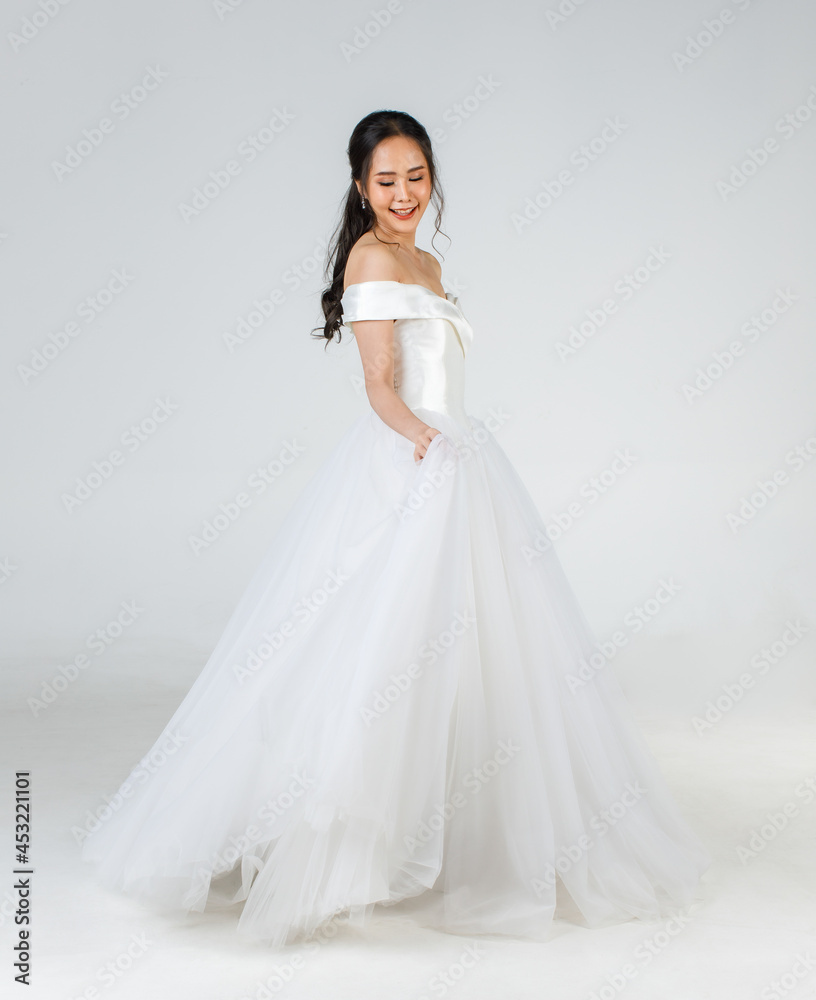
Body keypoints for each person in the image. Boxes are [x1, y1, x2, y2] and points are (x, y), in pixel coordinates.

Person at [81, 109, 711, 949]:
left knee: (464, 656)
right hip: (414, 463)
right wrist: (424, 441)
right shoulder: (372, 257)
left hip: (459, 461)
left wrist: (447, 442)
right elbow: (380, 382)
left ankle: (448, 835)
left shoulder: (429, 260)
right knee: (370, 653)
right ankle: (326, 851)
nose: (404, 193)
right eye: (387, 180)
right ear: (360, 187)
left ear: (431, 180)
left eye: (416, 176)